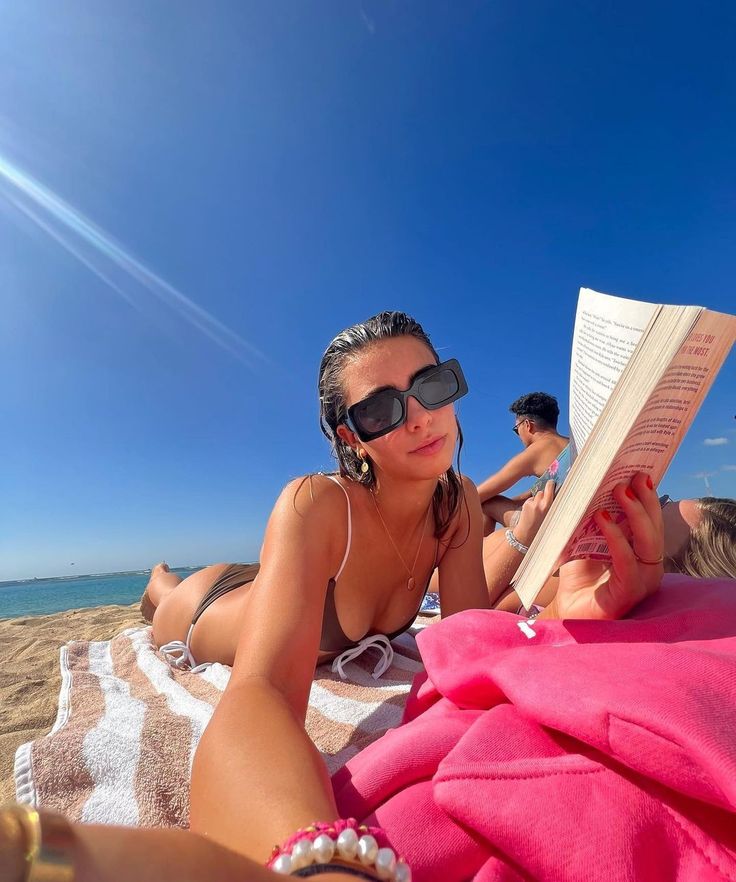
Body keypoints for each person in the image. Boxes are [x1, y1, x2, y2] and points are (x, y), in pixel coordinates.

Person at [0, 310, 671, 881]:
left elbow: (468, 640)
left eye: (432, 385)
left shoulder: (458, 506)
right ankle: (159, 578)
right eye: (383, 408)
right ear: (352, 437)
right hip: (211, 609)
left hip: (270, 580)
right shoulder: (315, 505)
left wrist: (570, 610)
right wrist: (317, 859)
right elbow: (259, 693)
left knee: (252, 578)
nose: (418, 417)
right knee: (165, 599)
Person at [490, 494, 736, 613]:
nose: (631, 517)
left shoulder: (586, 589)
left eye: (640, 537)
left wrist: (521, 539)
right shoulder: (584, 577)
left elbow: (467, 618)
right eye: (659, 502)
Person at [476, 392, 569, 535]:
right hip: (574, 515)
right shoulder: (571, 444)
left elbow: (478, 494)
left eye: (516, 430)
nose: (518, 435)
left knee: (487, 503)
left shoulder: (534, 452)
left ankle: (477, 555)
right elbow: (531, 494)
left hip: (551, 527)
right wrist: (509, 503)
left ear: (527, 425)